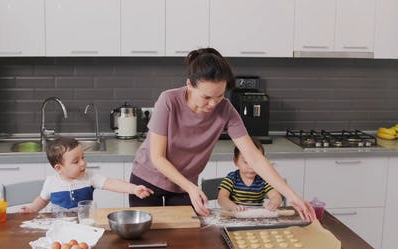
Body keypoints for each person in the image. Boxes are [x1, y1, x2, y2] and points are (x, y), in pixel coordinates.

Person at [129, 47, 315, 221]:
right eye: (207, 97)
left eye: (219, 96)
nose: (213, 104)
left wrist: (292, 196)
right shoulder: (168, 100)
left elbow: (255, 158)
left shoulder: (226, 110)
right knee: (147, 239)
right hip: (147, 181)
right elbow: (157, 157)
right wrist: (191, 188)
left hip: (185, 185)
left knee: (184, 239)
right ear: (189, 85)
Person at [21, 137, 153, 213]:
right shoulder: (51, 182)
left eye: (83, 157)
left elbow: (111, 183)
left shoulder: (89, 177)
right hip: (59, 226)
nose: (83, 163)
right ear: (59, 168)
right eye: (76, 161)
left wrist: (134, 189)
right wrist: (32, 208)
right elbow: (43, 200)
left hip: (85, 225)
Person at [217, 140, 283, 212]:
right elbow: (222, 198)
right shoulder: (232, 178)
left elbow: (276, 196)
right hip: (236, 217)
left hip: (257, 218)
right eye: (246, 162)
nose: (251, 166)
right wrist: (232, 206)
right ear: (236, 161)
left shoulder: (263, 179)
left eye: (256, 162)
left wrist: (274, 203)